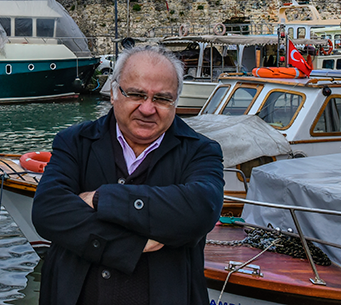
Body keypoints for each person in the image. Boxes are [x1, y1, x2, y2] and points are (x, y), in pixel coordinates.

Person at [31, 45, 224, 304]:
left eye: (162, 99)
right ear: (114, 93)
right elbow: (48, 212)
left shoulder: (200, 151)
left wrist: (103, 199)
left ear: (175, 101)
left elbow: (201, 209)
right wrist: (130, 245)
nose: (147, 108)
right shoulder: (75, 142)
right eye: (136, 94)